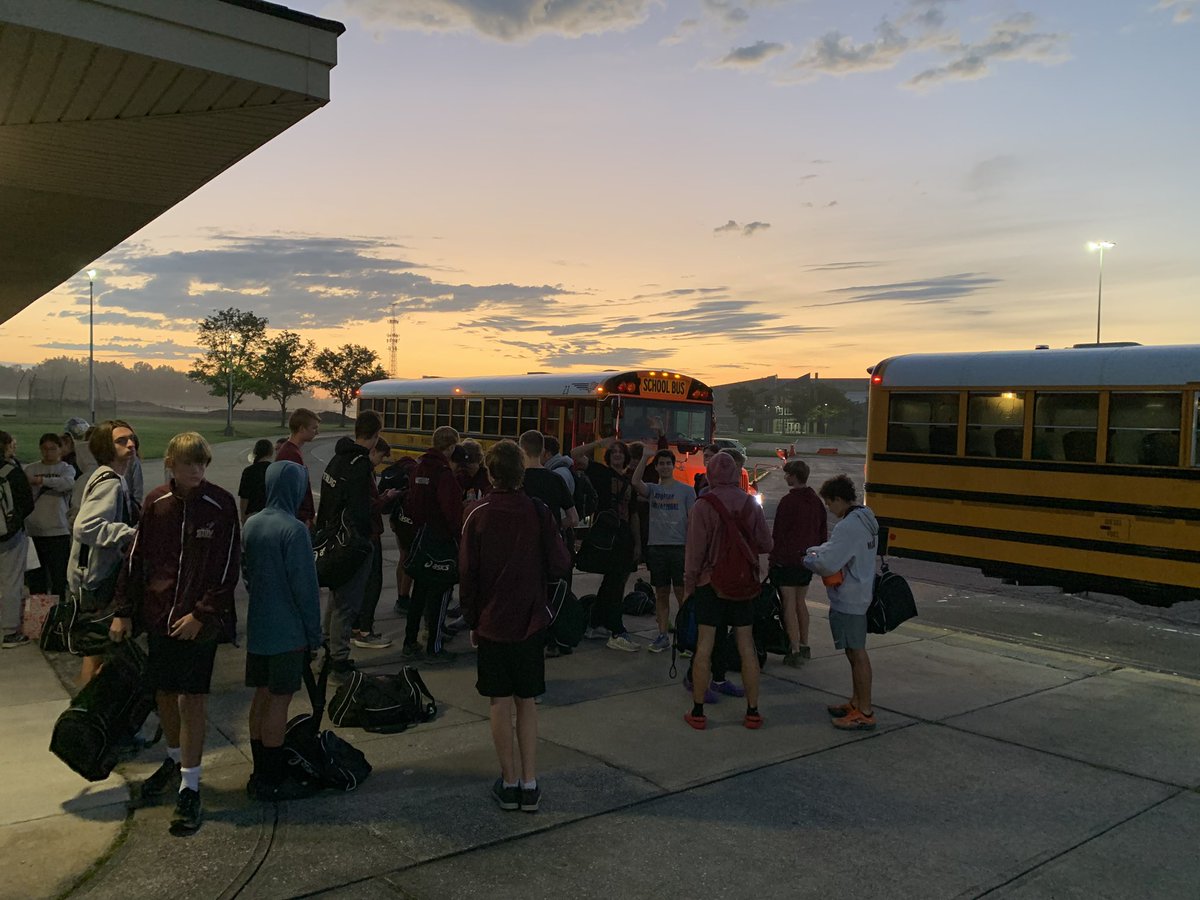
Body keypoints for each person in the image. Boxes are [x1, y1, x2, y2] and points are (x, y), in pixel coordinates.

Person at [114, 432, 240, 836]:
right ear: (171, 462)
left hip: (198, 625)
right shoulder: (156, 503)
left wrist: (202, 615)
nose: (197, 470)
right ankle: (174, 760)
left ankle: (190, 786)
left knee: (193, 701)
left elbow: (227, 569)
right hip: (159, 618)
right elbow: (136, 561)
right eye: (189, 463)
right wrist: (124, 612)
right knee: (164, 694)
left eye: (202, 463)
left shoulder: (221, 505)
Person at [459, 440, 571, 813]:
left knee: (498, 703)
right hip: (530, 620)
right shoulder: (538, 512)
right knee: (527, 703)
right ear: (522, 473)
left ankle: (507, 782)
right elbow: (560, 563)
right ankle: (530, 781)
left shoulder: (478, 513)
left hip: (491, 621)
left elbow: (468, 576)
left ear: (490, 473)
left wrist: (472, 619)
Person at [242, 460, 322, 801]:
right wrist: (314, 636)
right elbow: (306, 588)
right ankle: (273, 777)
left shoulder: (251, 524)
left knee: (261, 696)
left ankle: (259, 768)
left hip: (258, 625)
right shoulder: (294, 530)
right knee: (280, 702)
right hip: (287, 630)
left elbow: (246, 574)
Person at [682, 450, 772, 730]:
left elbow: (694, 554)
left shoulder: (703, 505)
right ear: (736, 474)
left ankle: (698, 712)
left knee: (704, 646)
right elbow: (766, 544)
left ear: (710, 474)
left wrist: (689, 586)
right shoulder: (750, 504)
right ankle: (753, 711)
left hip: (710, 585)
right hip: (743, 585)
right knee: (746, 647)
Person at [804, 474, 880, 731]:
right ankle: (857, 702)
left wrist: (810, 557)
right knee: (853, 651)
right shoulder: (866, 518)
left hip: (849, 598)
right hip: (861, 592)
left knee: (857, 653)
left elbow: (829, 562)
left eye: (829, 504)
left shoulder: (848, 526)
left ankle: (865, 711)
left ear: (838, 499)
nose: (828, 509)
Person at [67, 421, 139, 683]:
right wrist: (131, 534)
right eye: (122, 441)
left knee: (96, 651)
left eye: (132, 439)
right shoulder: (110, 481)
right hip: (99, 582)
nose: (131, 444)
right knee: (99, 651)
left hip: (92, 579)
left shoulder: (106, 475)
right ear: (105, 446)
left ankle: (86, 710)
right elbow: (85, 527)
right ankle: (89, 711)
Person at [314, 410, 383, 674]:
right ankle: (338, 660)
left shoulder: (337, 458)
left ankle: (329, 650)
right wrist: (364, 538)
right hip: (350, 543)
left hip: (332, 539)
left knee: (335, 599)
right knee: (347, 603)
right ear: (376, 435)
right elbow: (359, 508)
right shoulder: (360, 464)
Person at [572, 437, 641, 652]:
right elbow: (575, 453)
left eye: (621, 452)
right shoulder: (600, 472)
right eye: (614, 452)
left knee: (614, 581)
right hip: (607, 535)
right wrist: (600, 442)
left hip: (624, 536)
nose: (618, 454)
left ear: (627, 457)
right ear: (609, 457)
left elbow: (634, 514)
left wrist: (638, 543)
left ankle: (595, 623)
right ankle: (617, 630)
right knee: (615, 584)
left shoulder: (630, 481)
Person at [403, 425, 462, 663]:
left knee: (419, 593)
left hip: (421, 537)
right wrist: (457, 535)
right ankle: (434, 647)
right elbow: (451, 511)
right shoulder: (443, 473)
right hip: (440, 541)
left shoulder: (419, 468)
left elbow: (413, 502)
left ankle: (410, 641)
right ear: (450, 447)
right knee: (439, 593)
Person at [632, 449, 695, 653]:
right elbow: (635, 482)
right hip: (657, 547)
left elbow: (692, 520)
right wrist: (644, 457)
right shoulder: (653, 490)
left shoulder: (686, 491)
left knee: (681, 593)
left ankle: (685, 636)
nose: (665, 466)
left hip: (679, 547)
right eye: (661, 463)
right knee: (661, 593)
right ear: (657, 467)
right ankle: (662, 635)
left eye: (668, 463)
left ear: (673, 465)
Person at [770, 459, 827, 666]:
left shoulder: (788, 502)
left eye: (787, 474)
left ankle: (792, 648)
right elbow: (822, 532)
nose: (785, 477)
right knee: (801, 602)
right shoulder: (816, 501)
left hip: (787, 560)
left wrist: (774, 558)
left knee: (788, 604)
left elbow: (779, 533)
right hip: (807, 560)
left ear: (794, 476)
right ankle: (804, 643)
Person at [351, 437, 399, 650]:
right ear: (373, 451)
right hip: (370, 533)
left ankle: (355, 625)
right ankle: (365, 631)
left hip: (360, 533)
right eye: (380, 456)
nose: (380, 462)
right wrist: (386, 497)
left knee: (360, 582)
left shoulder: (352, 466)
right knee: (373, 581)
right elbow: (369, 505)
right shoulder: (364, 471)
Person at [24, 433, 75, 602]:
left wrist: (40, 481)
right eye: (44, 449)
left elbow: (67, 483)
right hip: (33, 531)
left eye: (53, 449)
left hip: (58, 531)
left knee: (58, 579)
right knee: (36, 580)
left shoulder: (66, 469)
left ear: (60, 449)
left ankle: (57, 617)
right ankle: (37, 619)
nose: (48, 453)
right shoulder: (30, 469)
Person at [1, 432, 35, 648]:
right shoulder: (11, 472)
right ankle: (9, 632)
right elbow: (27, 504)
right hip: (10, 536)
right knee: (11, 582)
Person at [275, 409, 320, 528]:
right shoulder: (291, 455)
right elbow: (293, 491)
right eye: (314, 428)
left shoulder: (291, 451)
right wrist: (303, 517)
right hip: (296, 520)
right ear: (301, 429)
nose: (317, 432)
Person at [238, 439, 274, 523]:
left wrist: (243, 517)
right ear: (270, 452)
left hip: (253, 515)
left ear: (255, 452)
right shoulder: (275, 470)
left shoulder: (249, 471)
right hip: (272, 514)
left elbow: (244, 497)